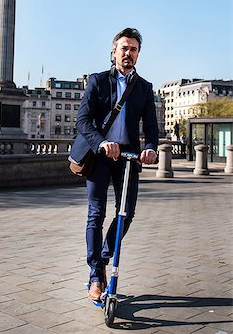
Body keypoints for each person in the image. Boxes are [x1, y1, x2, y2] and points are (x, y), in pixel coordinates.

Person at [70, 27, 159, 301]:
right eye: (124, 48)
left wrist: (150, 148)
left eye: (133, 49)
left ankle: (104, 257)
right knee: (96, 214)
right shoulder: (97, 81)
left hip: (128, 160)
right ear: (114, 51)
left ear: (138, 55)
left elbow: (152, 128)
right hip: (98, 156)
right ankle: (96, 274)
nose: (128, 53)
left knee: (127, 213)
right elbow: (83, 121)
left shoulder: (144, 88)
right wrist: (101, 143)